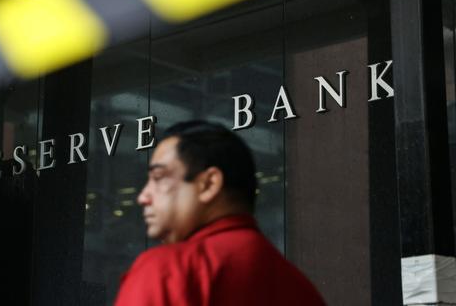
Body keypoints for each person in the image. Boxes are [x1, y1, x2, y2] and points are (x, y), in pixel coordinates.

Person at [115, 120, 326, 306]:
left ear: (209, 184)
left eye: (159, 177)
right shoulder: (301, 289)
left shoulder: (169, 271)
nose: (143, 197)